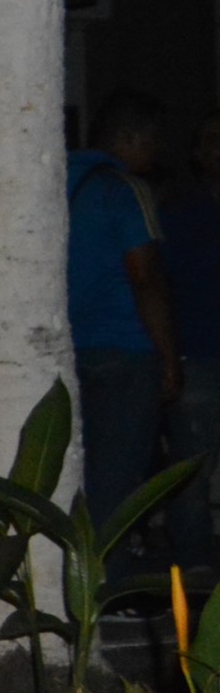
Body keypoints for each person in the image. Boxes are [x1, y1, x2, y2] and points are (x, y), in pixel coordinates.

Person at [68, 92, 182, 567]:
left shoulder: (59, 179)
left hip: (69, 347)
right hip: (123, 348)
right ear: (129, 139)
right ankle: (106, 584)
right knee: (117, 476)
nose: (155, 154)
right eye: (152, 142)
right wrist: (169, 356)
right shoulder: (124, 187)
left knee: (76, 472)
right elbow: (144, 275)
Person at [161, 113, 220, 575]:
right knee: (191, 472)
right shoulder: (178, 214)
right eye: (212, 141)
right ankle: (194, 573)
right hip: (197, 354)